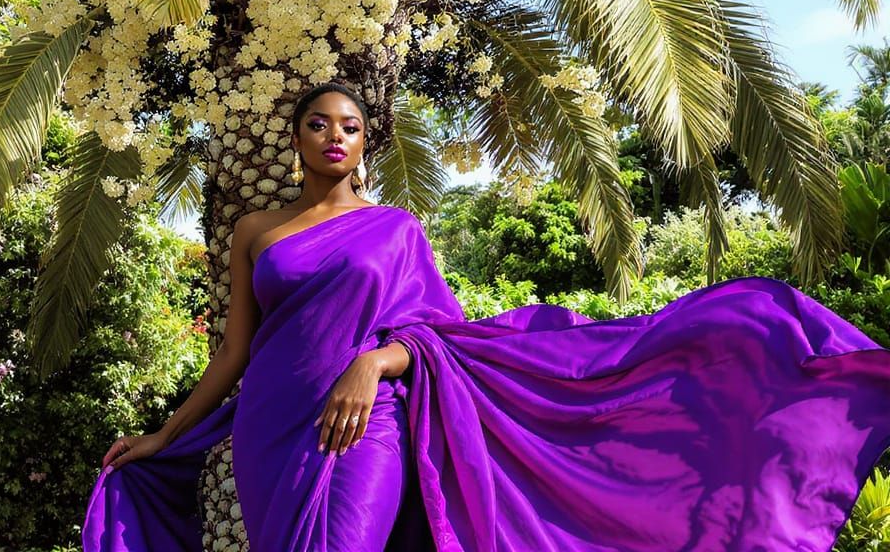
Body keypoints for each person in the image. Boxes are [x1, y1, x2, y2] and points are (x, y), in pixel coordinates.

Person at [82, 81, 890, 552]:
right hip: (272, 428)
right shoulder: (257, 232)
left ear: (366, 145)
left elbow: (435, 330)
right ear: (295, 138)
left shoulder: (394, 229)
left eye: (351, 128)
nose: (335, 137)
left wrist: (373, 362)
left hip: (367, 422)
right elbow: (233, 355)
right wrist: (162, 434)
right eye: (319, 124)